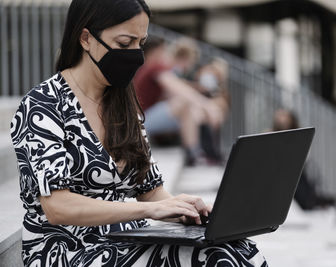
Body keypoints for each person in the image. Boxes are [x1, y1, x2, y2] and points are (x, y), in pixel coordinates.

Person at [9, 0, 267, 266]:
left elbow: (150, 191)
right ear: (85, 38)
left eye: (140, 43)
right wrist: (148, 210)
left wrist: (183, 209)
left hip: (122, 240)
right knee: (211, 258)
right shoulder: (42, 105)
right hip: (65, 251)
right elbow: (57, 207)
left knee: (238, 248)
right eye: (124, 43)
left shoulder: (123, 105)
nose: (135, 54)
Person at [135, 36, 225, 165]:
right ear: (156, 52)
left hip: (147, 117)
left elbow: (176, 90)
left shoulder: (153, 68)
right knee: (185, 103)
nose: (167, 54)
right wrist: (207, 106)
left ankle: (202, 154)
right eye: (164, 50)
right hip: (141, 121)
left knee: (192, 109)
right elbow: (178, 89)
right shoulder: (155, 66)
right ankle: (197, 154)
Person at [273, 109, 336, 210]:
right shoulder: (269, 134)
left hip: (294, 171)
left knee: (299, 179)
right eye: (280, 117)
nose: (282, 120)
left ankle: (311, 201)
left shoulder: (298, 136)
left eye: (285, 117)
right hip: (277, 173)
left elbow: (304, 158)